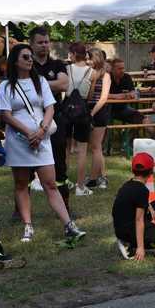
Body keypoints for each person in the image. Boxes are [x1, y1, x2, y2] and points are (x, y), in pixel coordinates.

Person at [0, 43, 86, 243]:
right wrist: (29, 133)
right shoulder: (5, 85)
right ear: (15, 61)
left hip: (42, 137)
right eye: (25, 57)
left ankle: (68, 225)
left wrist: (42, 130)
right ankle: (28, 225)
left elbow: (50, 108)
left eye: (30, 57)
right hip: (19, 139)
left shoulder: (41, 81)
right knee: (21, 184)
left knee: (50, 183)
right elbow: (6, 115)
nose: (30, 60)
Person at [29, 26, 74, 216]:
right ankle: (21, 209)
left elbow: (64, 84)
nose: (44, 46)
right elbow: (20, 87)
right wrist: (50, 87)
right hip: (30, 120)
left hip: (56, 119)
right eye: (40, 42)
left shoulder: (58, 65)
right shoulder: (25, 65)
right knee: (26, 166)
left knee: (59, 164)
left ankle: (64, 205)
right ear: (31, 44)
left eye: (46, 42)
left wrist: (35, 85)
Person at [64, 43, 94, 196]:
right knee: (82, 151)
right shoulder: (92, 72)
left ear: (74, 54)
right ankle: (80, 186)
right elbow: (89, 96)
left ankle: (63, 181)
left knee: (66, 149)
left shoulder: (66, 69)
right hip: (82, 111)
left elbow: (63, 89)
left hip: (67, 109)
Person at [85, 49, 111, 189]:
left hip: (99, 111)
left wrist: (92, 113)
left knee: (95, 146)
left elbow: (103, 98)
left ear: (96, 59)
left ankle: (94, 179)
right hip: (88, 110)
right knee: (95, 146)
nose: (87, 61)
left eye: (89, 58)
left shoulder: (106, 75)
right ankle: (101, 176)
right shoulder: (87, 73)